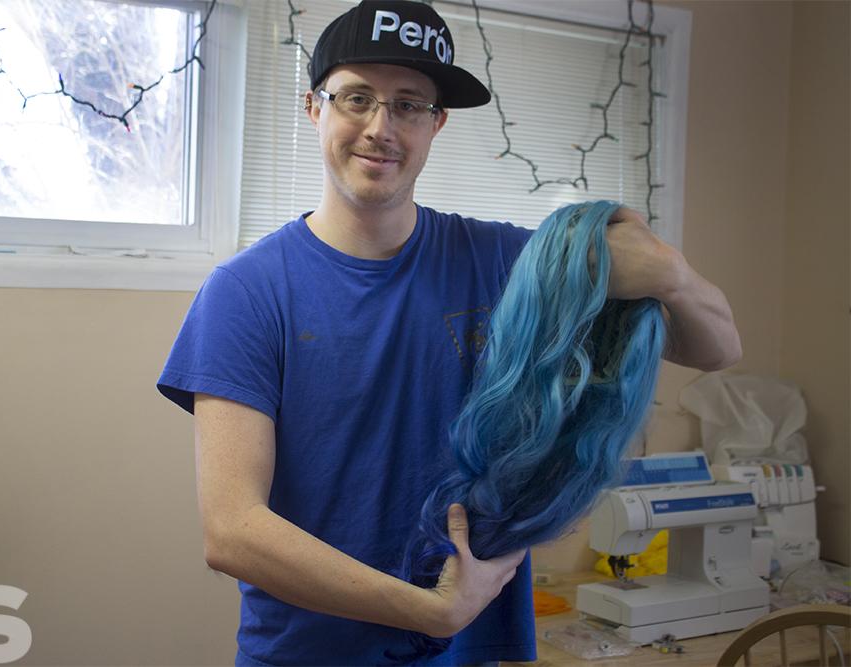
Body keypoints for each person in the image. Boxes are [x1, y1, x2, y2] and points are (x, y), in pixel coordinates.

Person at [157, 1, 742, 664]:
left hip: (475, 651)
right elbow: (231, 531)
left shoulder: (509, 265)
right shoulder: (246, 292)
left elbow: (718, 349)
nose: (381, 128)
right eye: (357, 97)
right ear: (314, 107)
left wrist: (670, 273)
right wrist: (434, 610)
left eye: (409, 105)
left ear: (436, 125)